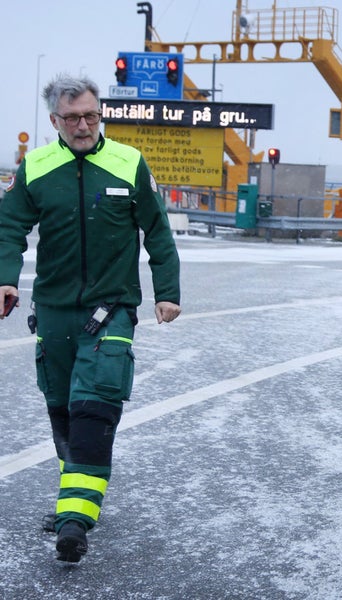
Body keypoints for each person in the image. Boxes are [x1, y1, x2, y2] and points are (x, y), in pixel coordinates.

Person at [0, 74, 182, 563]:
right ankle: (73, 496)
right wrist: (6, 278)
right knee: (61, 407)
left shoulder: (128, 163)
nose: (84, 125)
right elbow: (9, 228)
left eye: (92, 115)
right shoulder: (35, 167)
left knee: (94, 407)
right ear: (55, 121)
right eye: (73, 117)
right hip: (55, 311)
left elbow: (158, 233)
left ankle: (75, 520)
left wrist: (167, 292)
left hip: (112, 310)